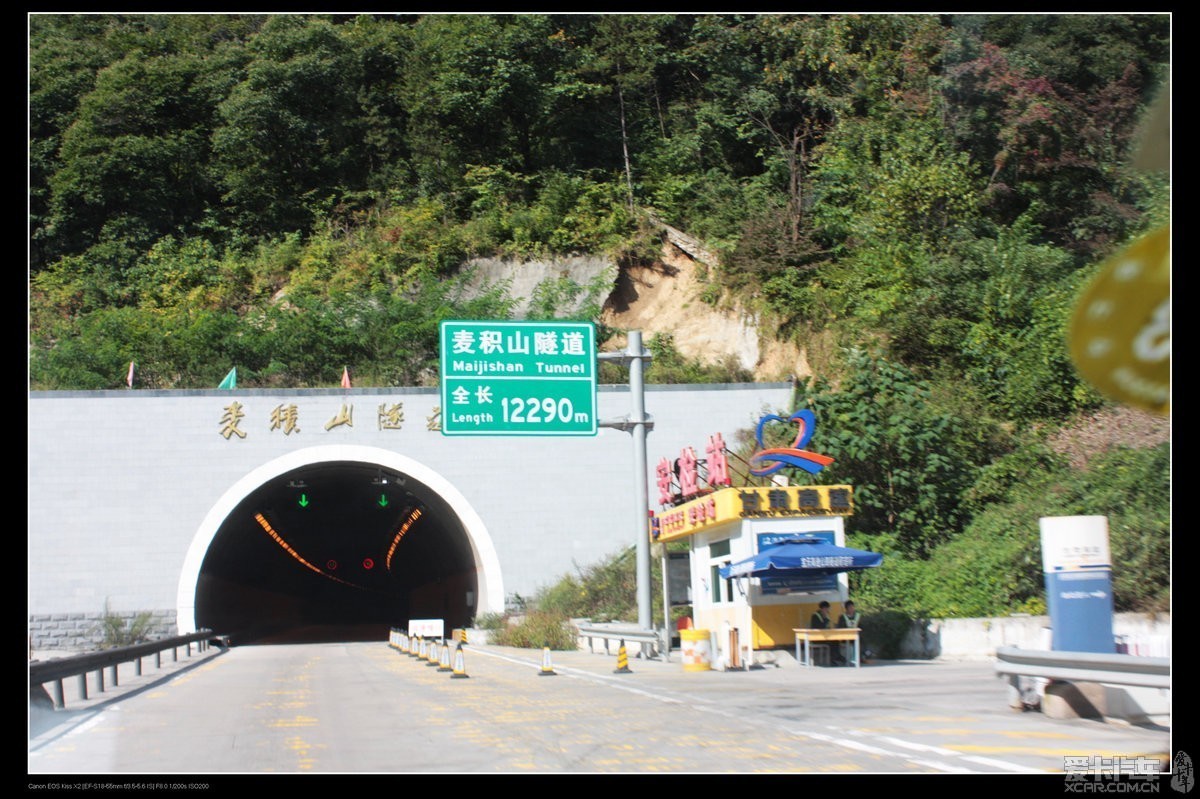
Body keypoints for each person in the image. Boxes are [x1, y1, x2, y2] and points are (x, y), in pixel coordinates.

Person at [835, 600, 860, 666]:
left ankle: (855, 659)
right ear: (846, 609)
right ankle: (847, 660)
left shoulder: (858, 616)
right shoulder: (842, 617)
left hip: (856, 637)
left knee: (858, 641)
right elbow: (839, 627)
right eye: (850, 607)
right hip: (845, 637)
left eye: (852, 607)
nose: (851, 609)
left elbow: (862, 627)